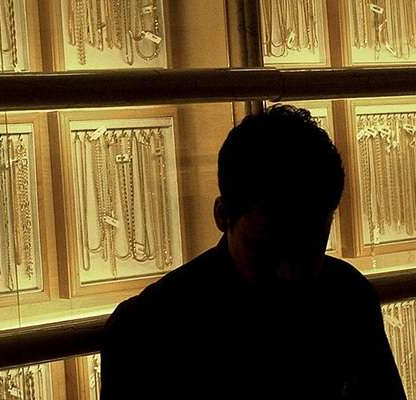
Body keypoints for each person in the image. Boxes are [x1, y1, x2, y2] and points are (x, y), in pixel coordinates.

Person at [100, 105, 406, 399]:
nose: (288, 273)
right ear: (223, 216)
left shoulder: (350, 297)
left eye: (308, 251)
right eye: (268, 253)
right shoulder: (146, 329)